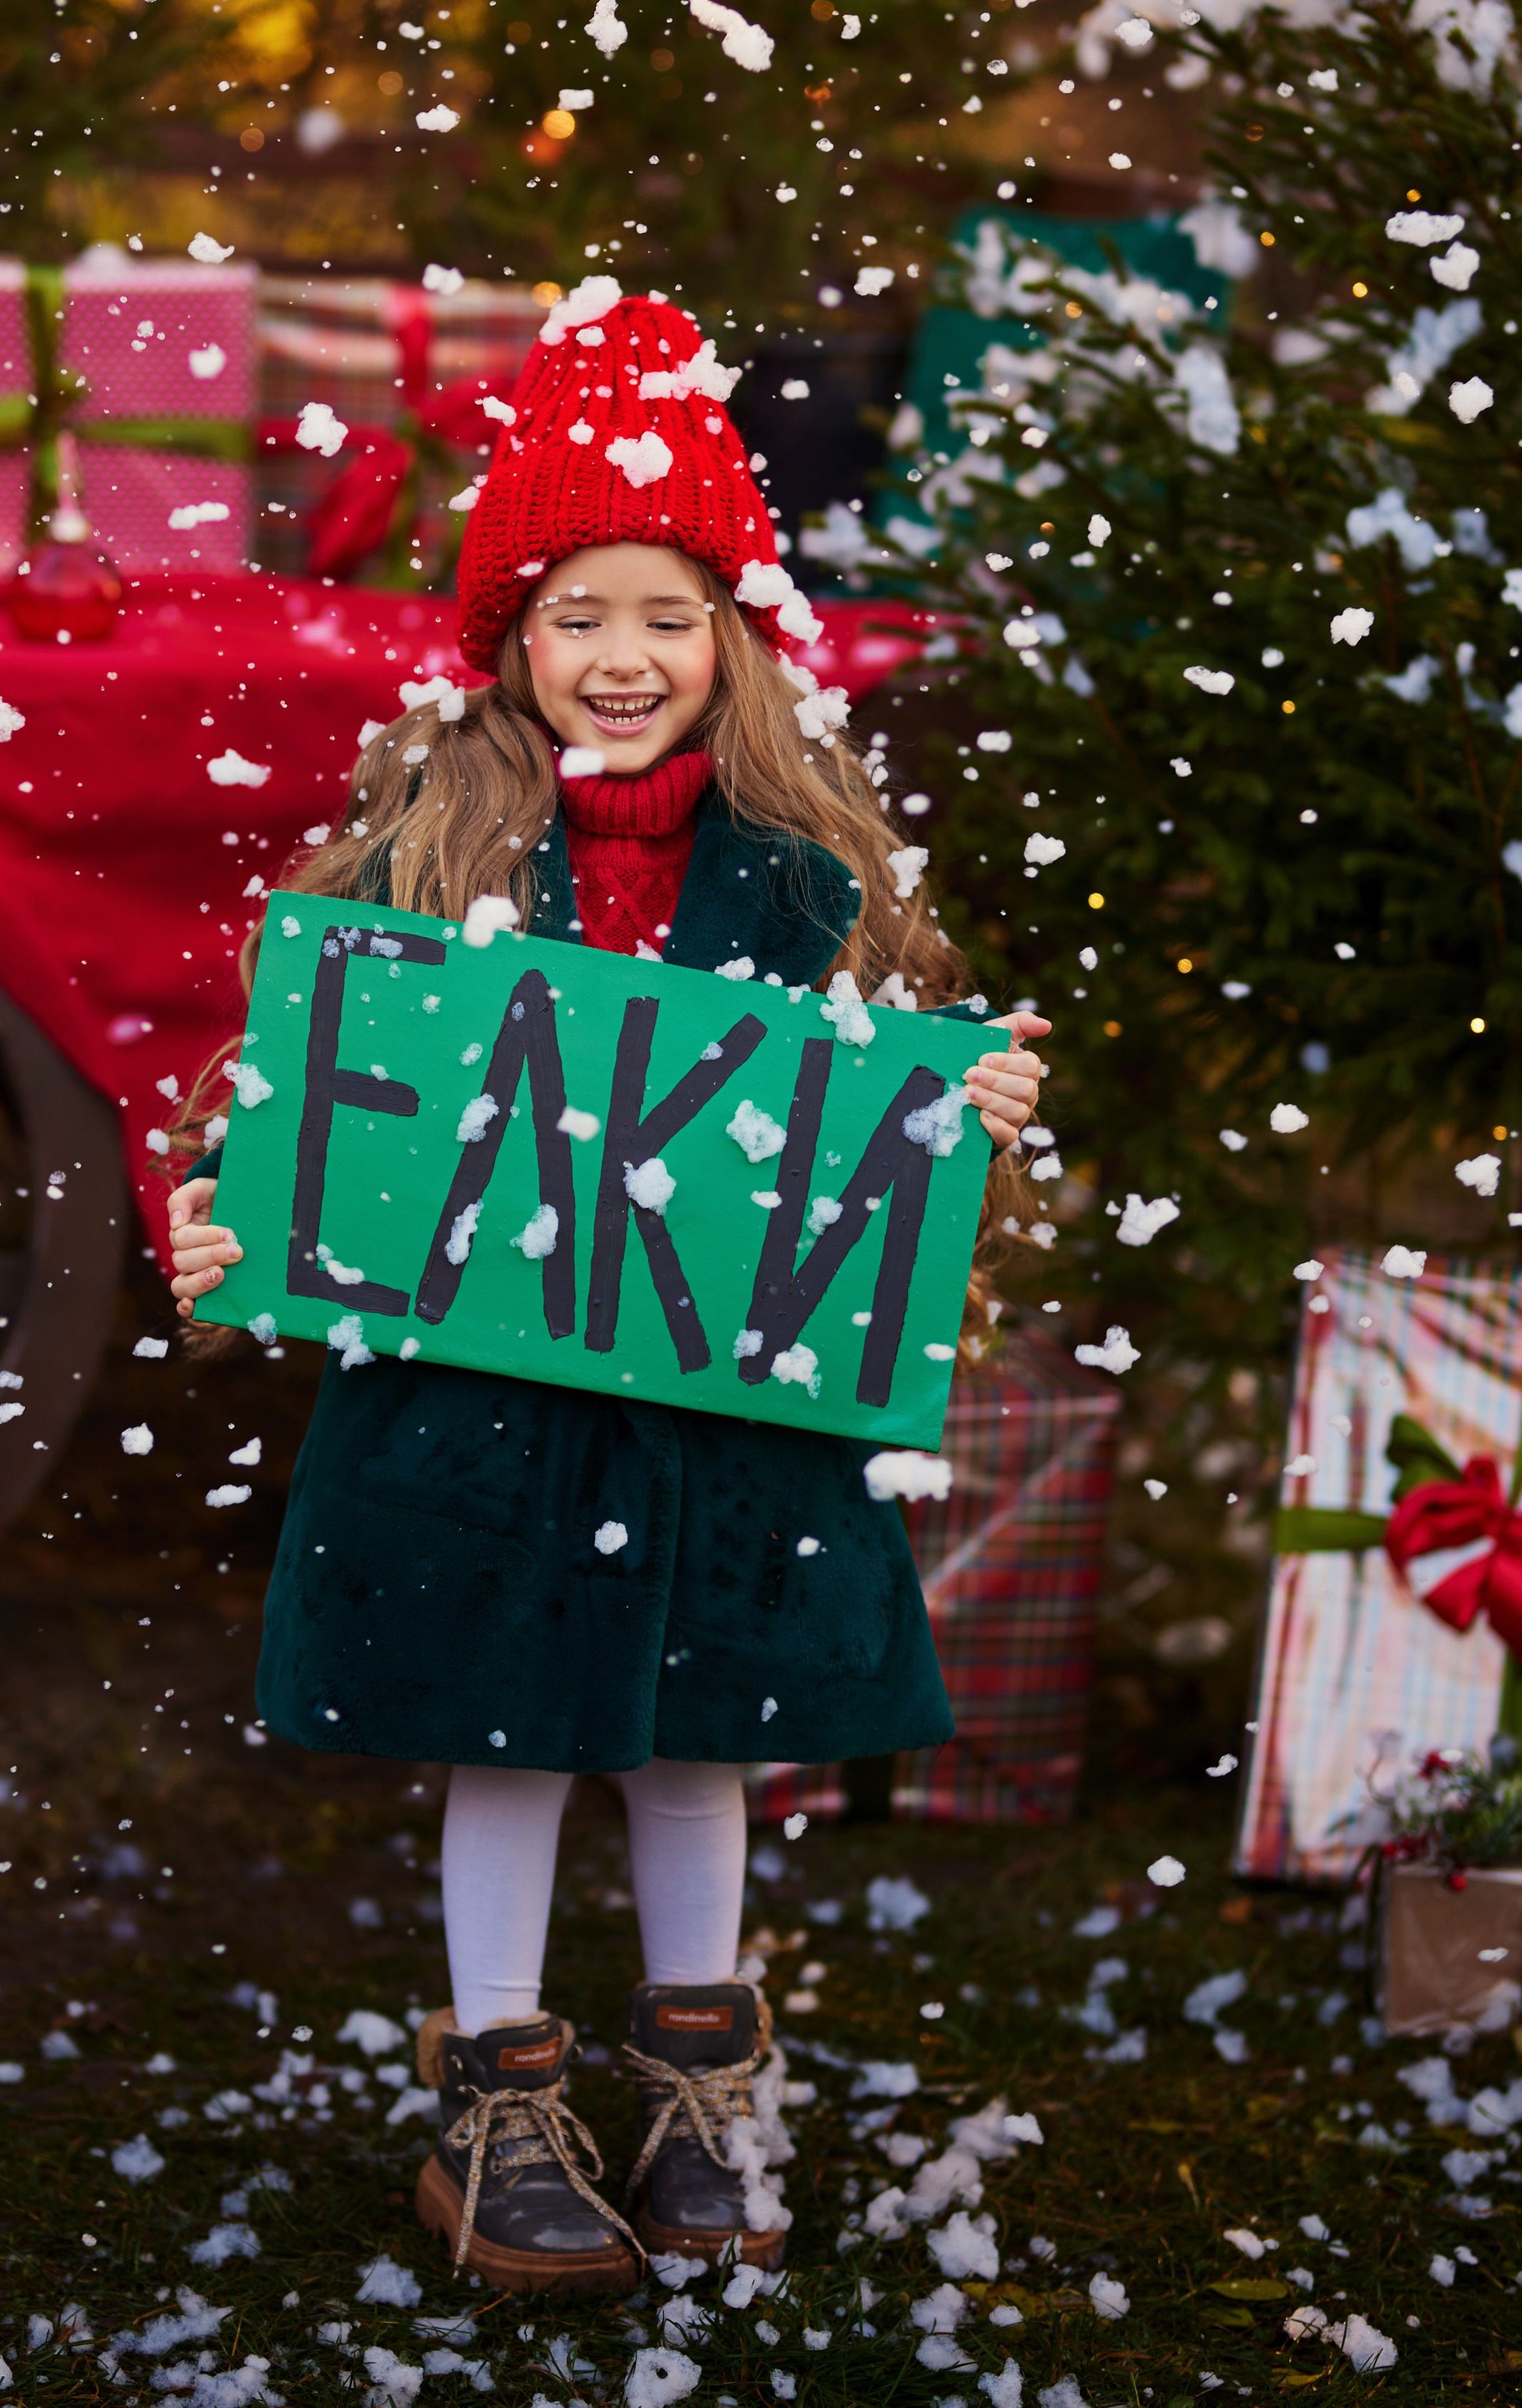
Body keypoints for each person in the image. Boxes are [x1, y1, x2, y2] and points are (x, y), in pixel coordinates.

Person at [166, 281, 1049, 2299]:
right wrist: (229, 1225)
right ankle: (495, 2096)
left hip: (725, 1420)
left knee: (696, 1738)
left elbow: (874, 1150)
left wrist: (963, 1109)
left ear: (730, 637)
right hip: (490, 1408)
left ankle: (699, 2084)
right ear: (511, 641)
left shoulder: (810, 876)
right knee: (509, 1728)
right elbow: (301, 1118)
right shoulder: (424, 861)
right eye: (578, 615)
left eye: (667, 613)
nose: (624, 657)